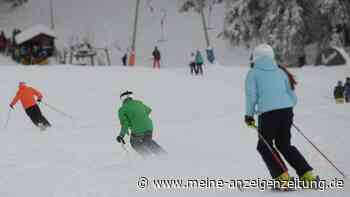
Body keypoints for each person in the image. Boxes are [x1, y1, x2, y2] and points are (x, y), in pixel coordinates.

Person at [244, 44, 317, 189]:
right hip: (287, 111)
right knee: (284, 144)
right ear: (271, 56)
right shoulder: (280, 71)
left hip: (268, 114)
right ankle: (308, 176)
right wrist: (284, 108)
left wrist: (249, 115)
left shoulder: (253, 73)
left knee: (264, 146)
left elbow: (251, 97)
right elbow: (293, 97)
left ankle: (282, 179)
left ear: (255, 57)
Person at [116, 90, 166, 156]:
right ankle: (163, 155)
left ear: (122, 99)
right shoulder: (139, 103)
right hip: (149, 126)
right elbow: (148, 110)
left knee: (134, 142)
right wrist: (141, 117)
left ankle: (148, 157)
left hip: (138, 129)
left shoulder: (122, 109)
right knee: (147, 142)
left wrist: (121, 136)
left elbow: (125, 124)